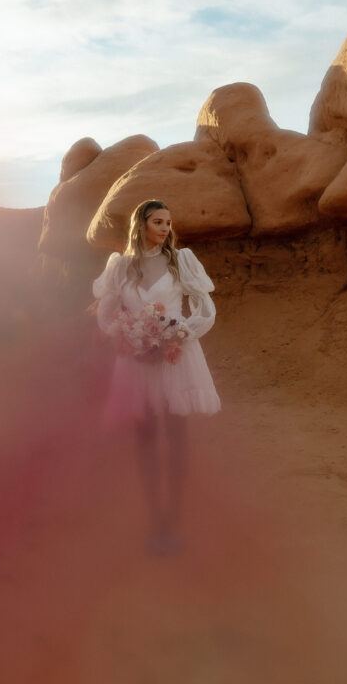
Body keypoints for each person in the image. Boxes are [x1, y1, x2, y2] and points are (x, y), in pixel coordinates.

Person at [92, 198, 221, 555]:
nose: (165, 228)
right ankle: (154, 520)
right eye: (158, 222)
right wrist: (127, 335)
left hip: (174, 358)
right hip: (136, 361)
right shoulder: (122, 267)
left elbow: (205, 309)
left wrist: (178, 334)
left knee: (177, 435)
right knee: (145, 438)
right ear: (142, 225)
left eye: (168, 222)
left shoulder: (182, 261)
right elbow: (105, 313)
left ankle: (174, 520)